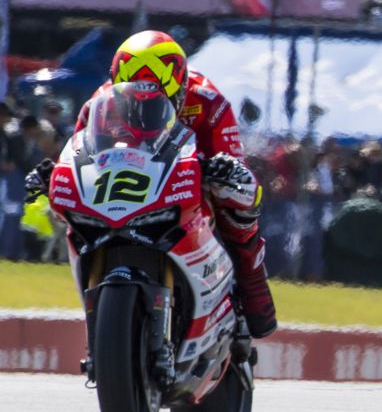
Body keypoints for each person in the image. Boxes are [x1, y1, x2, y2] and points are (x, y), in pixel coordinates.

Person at [24, 30, 277, 338]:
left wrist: (226, 168)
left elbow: (235, 163)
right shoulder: (99, 103)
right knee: (73, 220)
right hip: (130, 187)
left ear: (179, 84)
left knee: (237, 202)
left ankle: (255, 295)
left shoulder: (209, 101)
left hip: (188, 176)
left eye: (158, 94)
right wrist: (56, 172)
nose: (144, 105)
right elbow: (81, 150)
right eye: (134, 94)